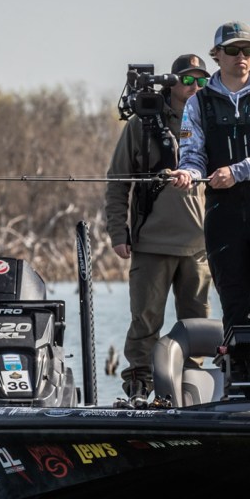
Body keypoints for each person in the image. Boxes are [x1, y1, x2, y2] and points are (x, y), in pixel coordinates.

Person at [168, 21, 250, 332]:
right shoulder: (197, 103)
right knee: (235, 302)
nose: (241, 56)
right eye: (232, 50)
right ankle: (243, 362)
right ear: (217, 54)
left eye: (247, 49)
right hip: (222, 210)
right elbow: (193, 155)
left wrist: (237, 172)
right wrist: (188, 174)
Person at [105, 54, 212, 407]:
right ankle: (139, 387)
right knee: (145, 321)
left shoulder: (210, 119)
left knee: (197, 322)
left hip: (199, 246)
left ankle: (191, 388)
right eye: (188, 79)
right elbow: (117, 181)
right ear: (172, 82)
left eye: (202, 80)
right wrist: (118, 232)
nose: (195, 87)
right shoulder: (142, 123)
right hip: (151, 243)